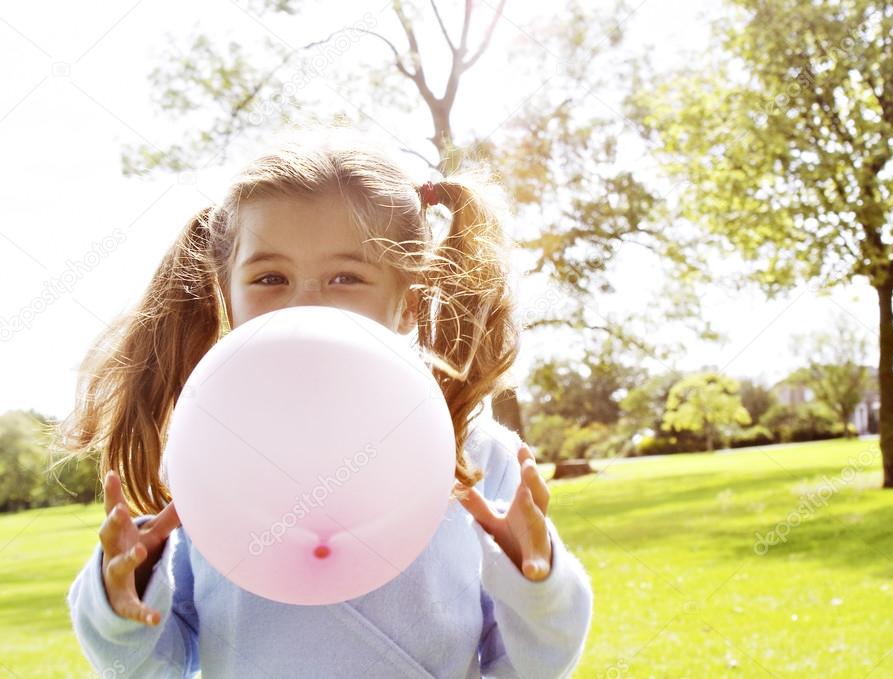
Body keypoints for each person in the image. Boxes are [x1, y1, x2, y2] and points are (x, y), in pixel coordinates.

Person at [61, 131, 593, 678]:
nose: (306, 303)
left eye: (346, 277)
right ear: (227, 295)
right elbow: (160, 663)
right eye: (270, 278)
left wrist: (539, 584)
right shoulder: (205, 454)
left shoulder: (477, 455)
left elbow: (528, 666)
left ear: (408, 303)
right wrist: (122, 596)